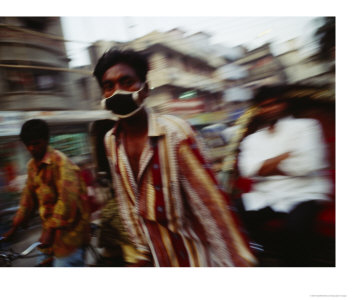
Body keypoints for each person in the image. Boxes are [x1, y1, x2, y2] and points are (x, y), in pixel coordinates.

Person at [92, 48, 256, 267]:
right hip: (158, 258)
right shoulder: (111, 141)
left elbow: (212, 206)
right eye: (108, 86)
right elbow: (126, 201)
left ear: (145, 89)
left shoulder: (175, 133)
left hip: (197, 259)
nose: (117, 91)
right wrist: (142, 251)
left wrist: (237, 263)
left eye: (126, 81)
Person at [236, 85, 333, 266]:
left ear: (284, 104)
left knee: (294, 230)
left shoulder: (307, 127)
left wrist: (263, 167)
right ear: (260, 110)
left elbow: (306, 165)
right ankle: (251, 258)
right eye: (265, 105)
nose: (270, 108)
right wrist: (285, 155)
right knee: (231, 213)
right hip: (266, 195)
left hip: (304, 193)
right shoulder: (252, 139)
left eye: (274, 103)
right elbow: (248, 170)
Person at [0, 119, 90, 267]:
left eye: (36, 143)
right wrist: (14, 227)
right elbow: (28, 197)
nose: (32, 148)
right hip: (48, 236)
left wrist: (50, 230)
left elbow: (67, 201)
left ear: (46, 140)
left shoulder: (62, 164)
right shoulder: (32, 166)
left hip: (71, 235)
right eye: (28, 145)